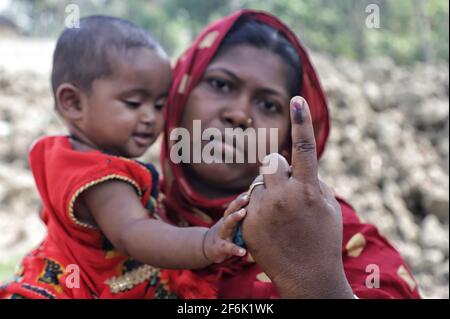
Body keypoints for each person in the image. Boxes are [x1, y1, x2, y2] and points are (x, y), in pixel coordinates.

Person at [158, 10, 421, 298]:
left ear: (286, 138)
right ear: (180, 94)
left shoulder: (331, 236)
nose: (239, 114)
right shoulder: (120, 208)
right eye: (221, 85)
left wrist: (315, 282)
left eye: (268, 105)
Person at [0, 15, 247, 299]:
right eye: (133, 103)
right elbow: (134, 232)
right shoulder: (103, 178)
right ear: (73, 102)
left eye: (159, 105)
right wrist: (206, 242)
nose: (150, 118)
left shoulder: (64, 153)